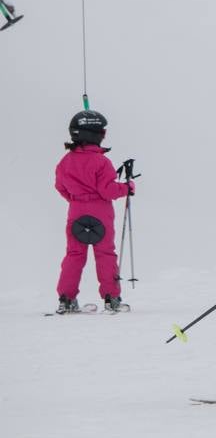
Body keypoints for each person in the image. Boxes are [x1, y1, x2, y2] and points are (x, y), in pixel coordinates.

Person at [54, 110, 135, 313]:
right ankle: (111, 298)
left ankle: (66, 299)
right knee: (105, 254)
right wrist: (127, 187)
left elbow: (60, 186)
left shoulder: (65, 161)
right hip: (101, 212)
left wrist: (76, 200)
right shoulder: (101, 162)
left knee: (74, 254)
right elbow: (107, 190)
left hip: (76, 211)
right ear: (95, 135)